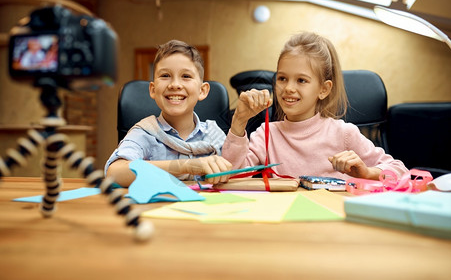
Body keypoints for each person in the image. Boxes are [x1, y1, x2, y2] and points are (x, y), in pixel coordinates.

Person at [222, 31, 408, 180]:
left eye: (301, 80)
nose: (288, 88)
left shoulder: (343, 134)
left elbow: (399, 170)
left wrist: (367, 172)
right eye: (282, 78)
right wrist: (239, 121)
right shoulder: (266, 134)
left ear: (324, 89)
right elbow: (230, 174)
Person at [105, 39, 232, 187]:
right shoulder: (145, 133)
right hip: (156, 208)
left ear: (202, 91)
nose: (175, 85)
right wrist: (187, 166)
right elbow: (114, 173)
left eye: (186, 76)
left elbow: (236, 170)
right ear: (153, 89)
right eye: (165, 76)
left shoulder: (213, 133)